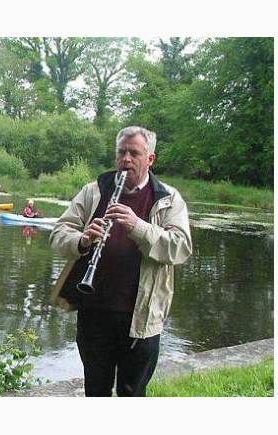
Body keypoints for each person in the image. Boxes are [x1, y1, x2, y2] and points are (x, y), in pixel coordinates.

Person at [49, 126, 192, 397]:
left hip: (141, 317)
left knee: (132, 392)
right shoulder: (94, 191)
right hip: (94, 313)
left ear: (150, 159)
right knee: (96, 390)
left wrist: (138, 226)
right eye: (121, 152)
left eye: (134, 153)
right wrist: (82, 240)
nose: (126, 159)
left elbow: (180, 248)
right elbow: (59, 234)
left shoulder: (168, 199)